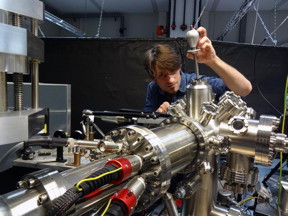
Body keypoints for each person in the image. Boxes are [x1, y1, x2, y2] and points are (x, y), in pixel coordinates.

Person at [143, 27, 252, 113]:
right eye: (162, 75)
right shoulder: (154, 88)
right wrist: (157, 115)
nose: (170, 80)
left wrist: (213, 60)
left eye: (172, 71)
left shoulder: (201, 85)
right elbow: (146, 122)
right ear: (154, 78)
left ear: (179, 66)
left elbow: (244, 89)